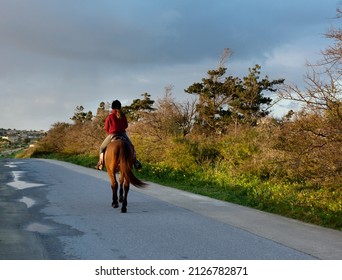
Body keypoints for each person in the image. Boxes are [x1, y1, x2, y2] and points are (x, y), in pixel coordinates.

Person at [96, 100, 142, 170]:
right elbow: (126, 126)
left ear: (112, 108)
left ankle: (101, 164)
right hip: (123, 134)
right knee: (132, 146)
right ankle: (135, 162)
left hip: (112, 134)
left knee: (102, 148)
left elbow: (106, 128)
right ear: (120, 107)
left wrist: (110, 132)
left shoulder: (110, 116)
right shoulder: (123, 116)